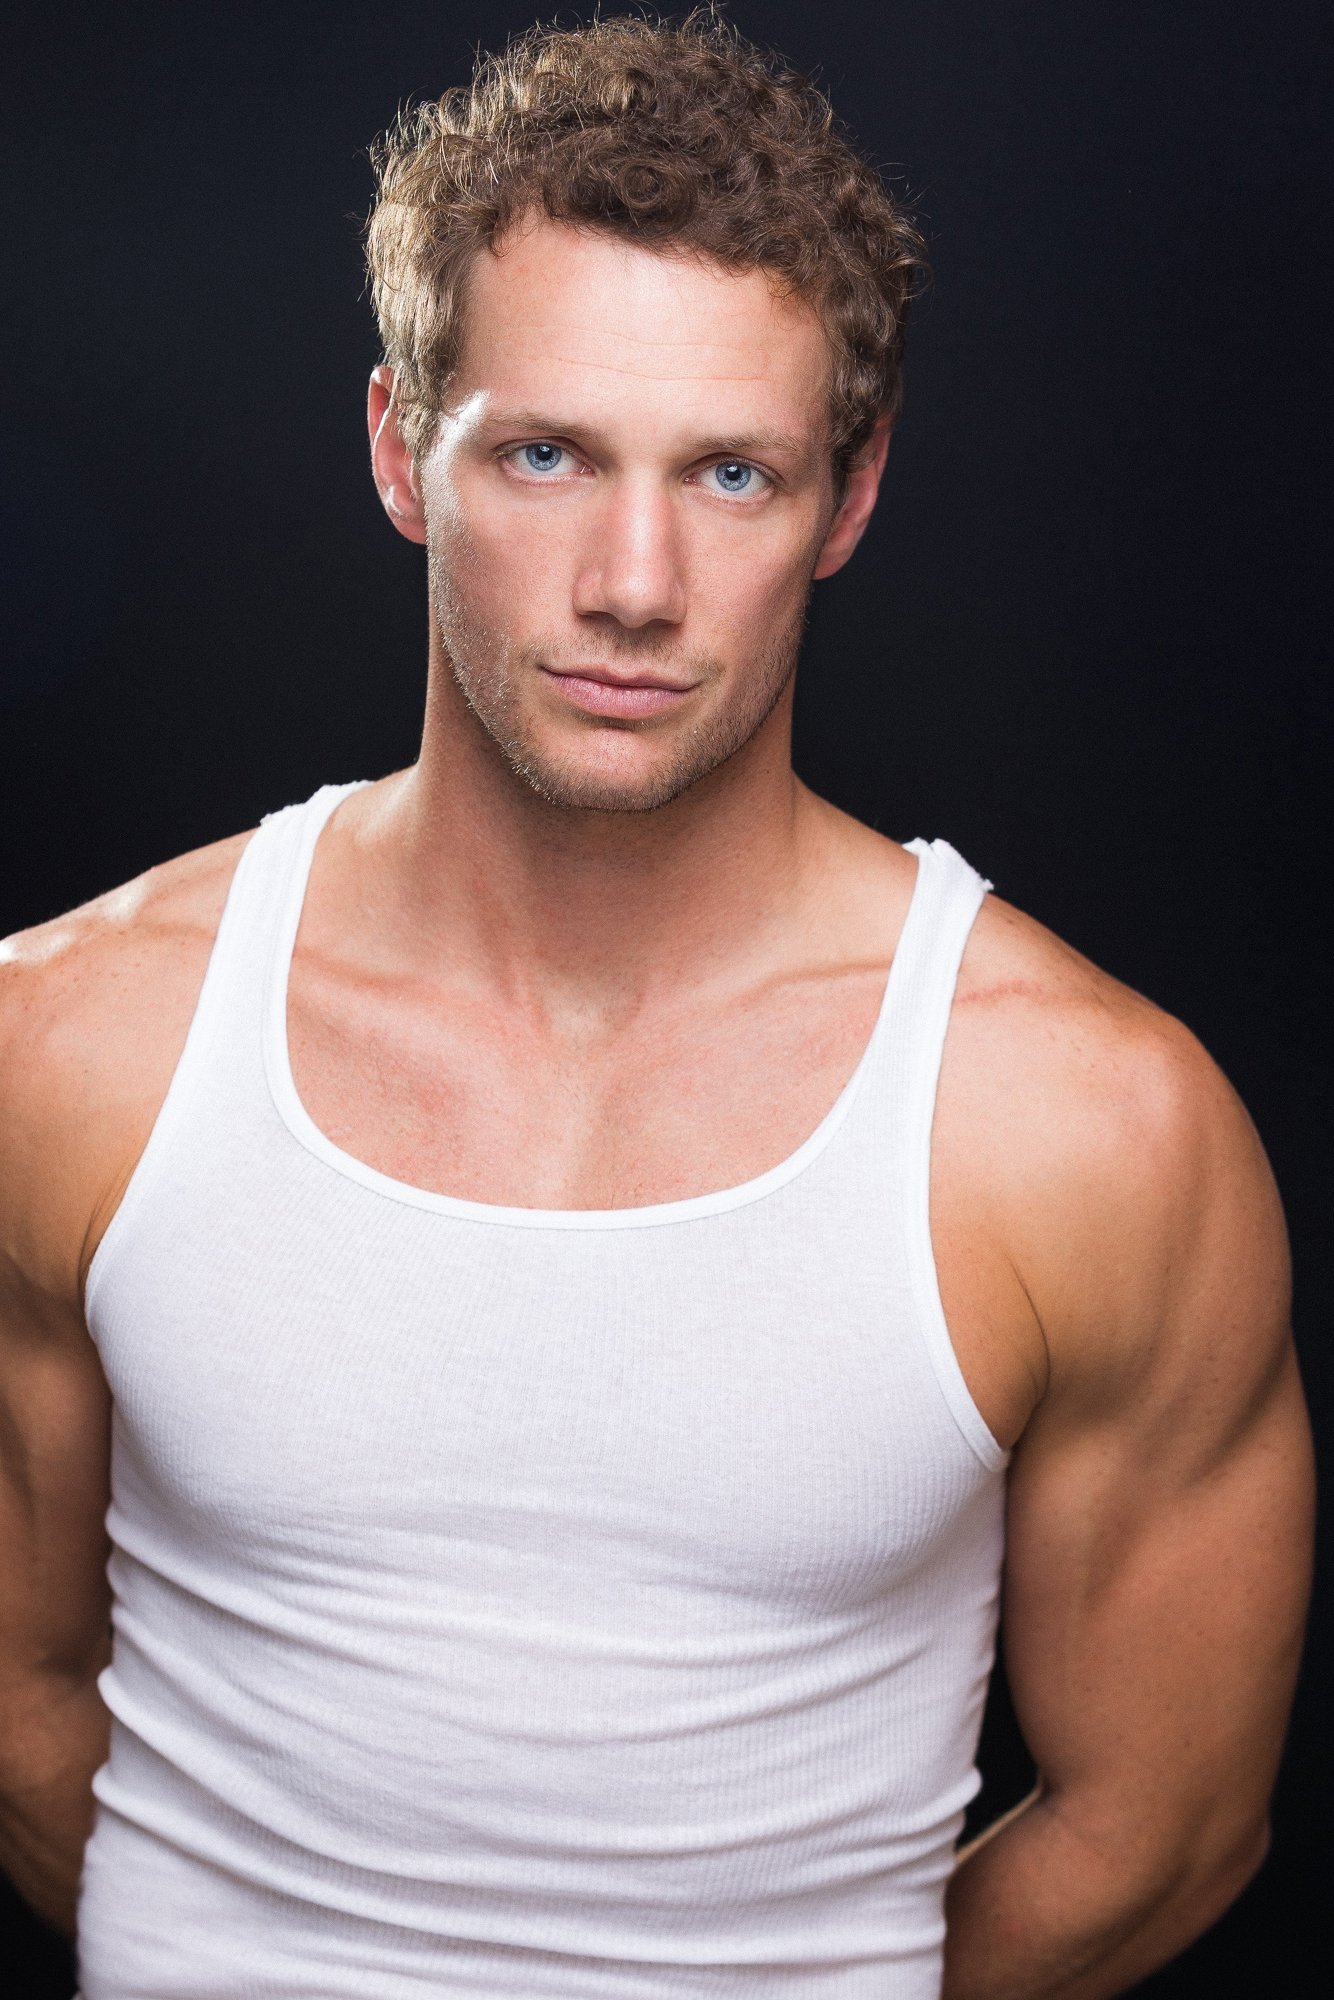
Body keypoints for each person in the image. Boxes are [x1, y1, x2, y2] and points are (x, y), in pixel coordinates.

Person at [0, 13, 1314, 1999]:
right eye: (545, 454)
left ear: (846, 500)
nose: (635, 580)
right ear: (401, 450)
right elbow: (18, 1697)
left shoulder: (1086, 1125)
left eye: (731, 474)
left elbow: (1162, 1830)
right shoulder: (72, 1041)